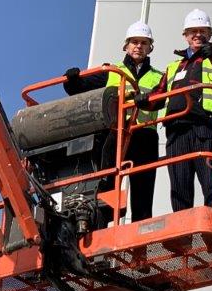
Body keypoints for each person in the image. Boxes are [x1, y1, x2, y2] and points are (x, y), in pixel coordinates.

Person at [137, 9, 212, 211]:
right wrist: (143, 101)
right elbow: (159, 95)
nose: (198, 35)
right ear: (185, 35)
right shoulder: (174, 66)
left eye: (202, 30)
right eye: (193, 31)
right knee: (179, 185)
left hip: (208, 128)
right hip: (177, 131)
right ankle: (182, 226)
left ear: (210, 34)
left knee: (210, 183)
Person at [63, 21, 164, 222]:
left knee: (143, 190)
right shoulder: (112, 72)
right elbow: (78, 88)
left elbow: (163, 100)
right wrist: (72, 80)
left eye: (144, 43)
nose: (138, 46)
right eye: (134, 42)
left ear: (150, 47)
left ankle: (140, 233)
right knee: (107, 183)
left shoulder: (158, 77)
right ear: (126, 46)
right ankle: (101, 223)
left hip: (145, 135)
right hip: (117, 132)